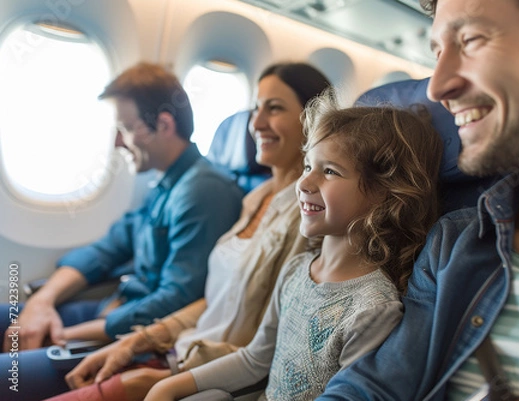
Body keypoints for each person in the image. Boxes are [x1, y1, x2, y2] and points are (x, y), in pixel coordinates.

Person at [317, 0, 519, 400]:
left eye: (471, 40)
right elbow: (375, 385)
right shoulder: (455, 241)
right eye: (436, 52)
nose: (437, 87)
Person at [35, 62, 332, 401]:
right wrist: (137, 340)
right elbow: (213, 297)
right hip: (173, 345)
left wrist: (166, 372)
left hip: (196, 366)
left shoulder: (309, 217)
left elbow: (264, 341)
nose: (256, 123)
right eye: (255, 108)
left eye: (274, 108)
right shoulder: (254, 199)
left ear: (313, 121)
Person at [143, 96, 444, 401]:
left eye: (330, 171)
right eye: (308, 165)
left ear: (384, 194)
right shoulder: (297, 269)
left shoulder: (373, 308)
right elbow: (255, 360)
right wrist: (167, 387)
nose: (303, 182)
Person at [0, 62, 244, 398]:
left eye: (125, 128)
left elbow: (178, 298)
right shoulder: (163, 184)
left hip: (138, 336)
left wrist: (69, 334)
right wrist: (41, 303)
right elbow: (107, 248)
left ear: (163, 124)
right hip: (114, 309)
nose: (117, 143)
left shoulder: (203, 192)